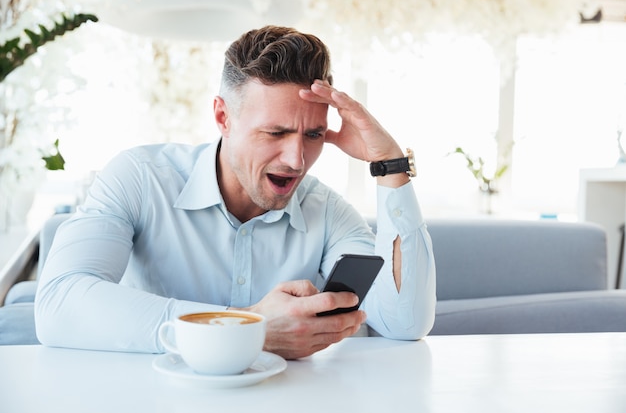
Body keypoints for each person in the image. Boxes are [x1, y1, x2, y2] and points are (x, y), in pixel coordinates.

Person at [34, 26, 436, 359]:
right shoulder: (140, 178)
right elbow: (59, 303)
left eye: (313, 135)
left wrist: (390, 165)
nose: (296, 159)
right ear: (223, 117)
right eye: (275, 133)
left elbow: (405, 324)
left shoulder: (326, 210)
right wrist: (247, 328)